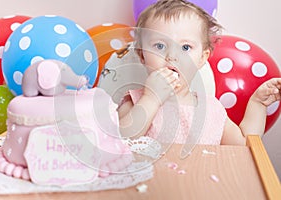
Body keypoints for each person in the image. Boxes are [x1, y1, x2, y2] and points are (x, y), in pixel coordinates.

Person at [117, 0, 281, 145]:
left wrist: (258, 104)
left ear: (203, 58)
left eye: (185, 47)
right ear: (142, 55)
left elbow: (244, 146)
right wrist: (151, 99)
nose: (172, 56)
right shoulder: (134, 102)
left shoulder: (211, 109)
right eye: (160, 46)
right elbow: (118, 144)